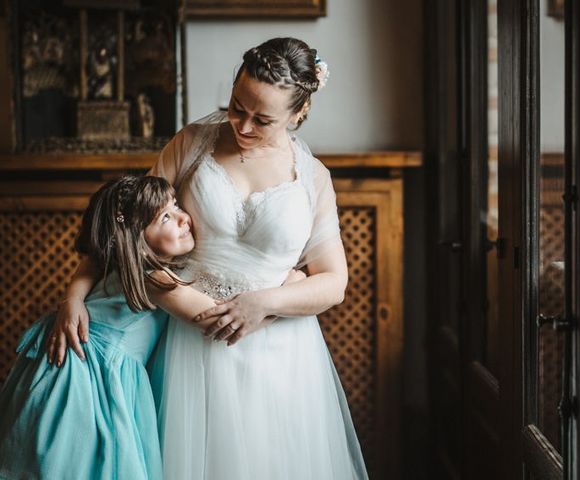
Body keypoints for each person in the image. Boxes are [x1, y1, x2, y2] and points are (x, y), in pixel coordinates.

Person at [51, 37, 368, 479]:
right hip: (191, 347)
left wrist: (265, 303)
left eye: (263, 120)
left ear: (299, 113)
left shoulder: (313, 178)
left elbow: (334, 282)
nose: (242, 125)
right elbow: (124, 226)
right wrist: (74, 294)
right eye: (236, 106)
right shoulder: (193, 142)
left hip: (282, 352)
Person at [0, 175, 303, 479]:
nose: (184, 218)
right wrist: (279, 299)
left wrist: (73, 297)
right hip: (88, 376)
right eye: (166, 218)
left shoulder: (127, 263)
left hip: (78, 366)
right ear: (136, 241)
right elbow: (220, 321)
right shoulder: (155, 280)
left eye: (175, 205)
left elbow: (90, 261)